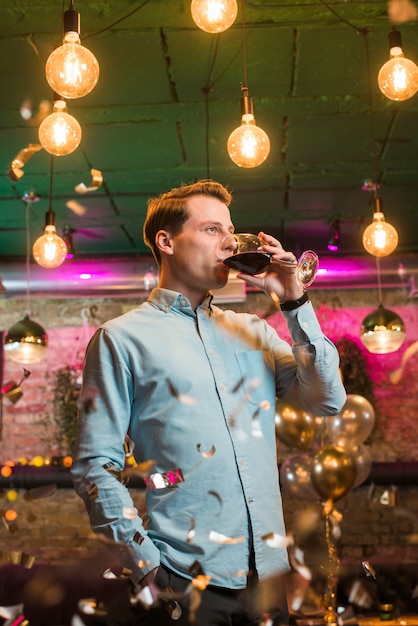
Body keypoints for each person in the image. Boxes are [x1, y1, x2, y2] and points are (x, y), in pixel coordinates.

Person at [71, 180, 346, 626]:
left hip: (270, 579)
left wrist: (294, 301)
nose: (230, 243)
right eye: (213, 229)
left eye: (231, 232)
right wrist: (148, 567)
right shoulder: (121, 339)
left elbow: (328, 400)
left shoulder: (254, 330)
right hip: (183, 582)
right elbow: (93, 466)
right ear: (166, 241)